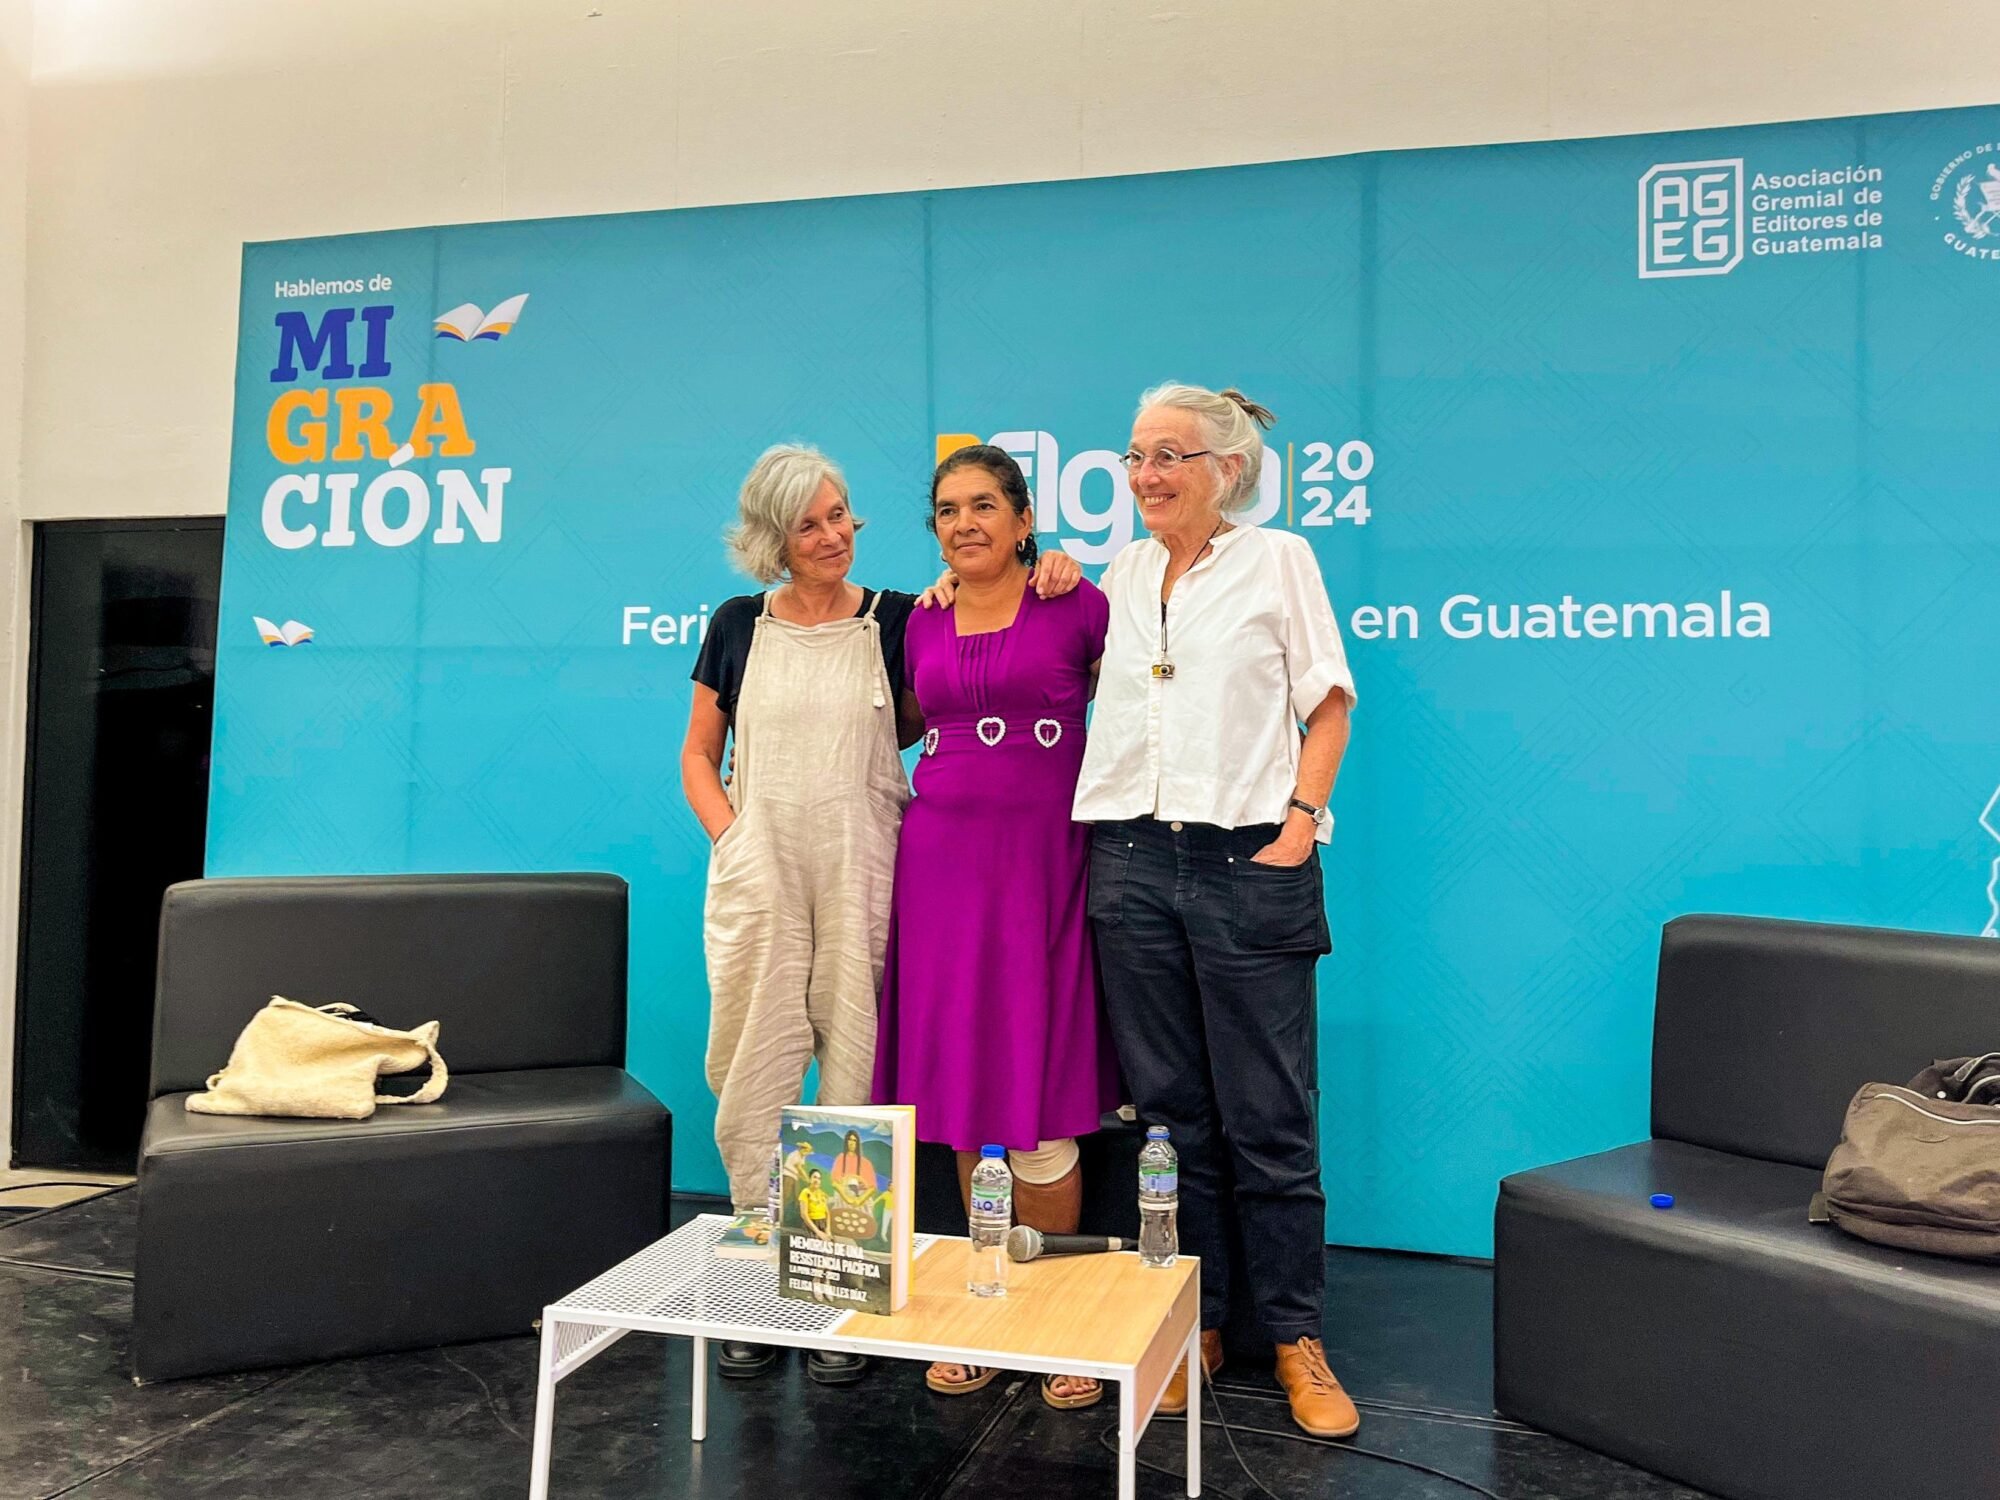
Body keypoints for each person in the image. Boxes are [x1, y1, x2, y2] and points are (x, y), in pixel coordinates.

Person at [680, 444, 1079, 1386]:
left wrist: (1053, 564)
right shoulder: (736, 625)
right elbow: (700, 754)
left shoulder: (898, 616)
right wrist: (734, 839)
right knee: (755, 1075)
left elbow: (984, 633)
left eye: (840, 513)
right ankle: (754, 1289)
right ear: (772, 540)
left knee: (854, 1082)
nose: (831, 536)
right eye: (807, 524)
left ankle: (832, 1295)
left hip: (869, 865)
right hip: (760, 871)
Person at [1072, 384, 1359, 1439]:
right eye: (1136, 455)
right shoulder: (1122, 569)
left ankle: (1292, 1336)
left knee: (1270, 1121)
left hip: (1249, 861)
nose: (1146, 475)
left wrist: (1297, 821)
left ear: (1224, 469)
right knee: (1168, 1120)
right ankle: (1190, 1318)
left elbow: (1326, 701)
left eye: (1170, 456)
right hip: (1132, 861)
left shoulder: (1278, 558)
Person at [873, 445, 1119, 1411]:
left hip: (1047, 869)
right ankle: (989, 1301)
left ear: (1025, 519)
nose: (964, 523)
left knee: (1041, 1100)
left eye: (984, 506)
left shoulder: (1079, 604)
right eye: (946, 510)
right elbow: (885, 725)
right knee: (964, 1094)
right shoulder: (918, 619)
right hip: (937, 874)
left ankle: (1053, 1310)